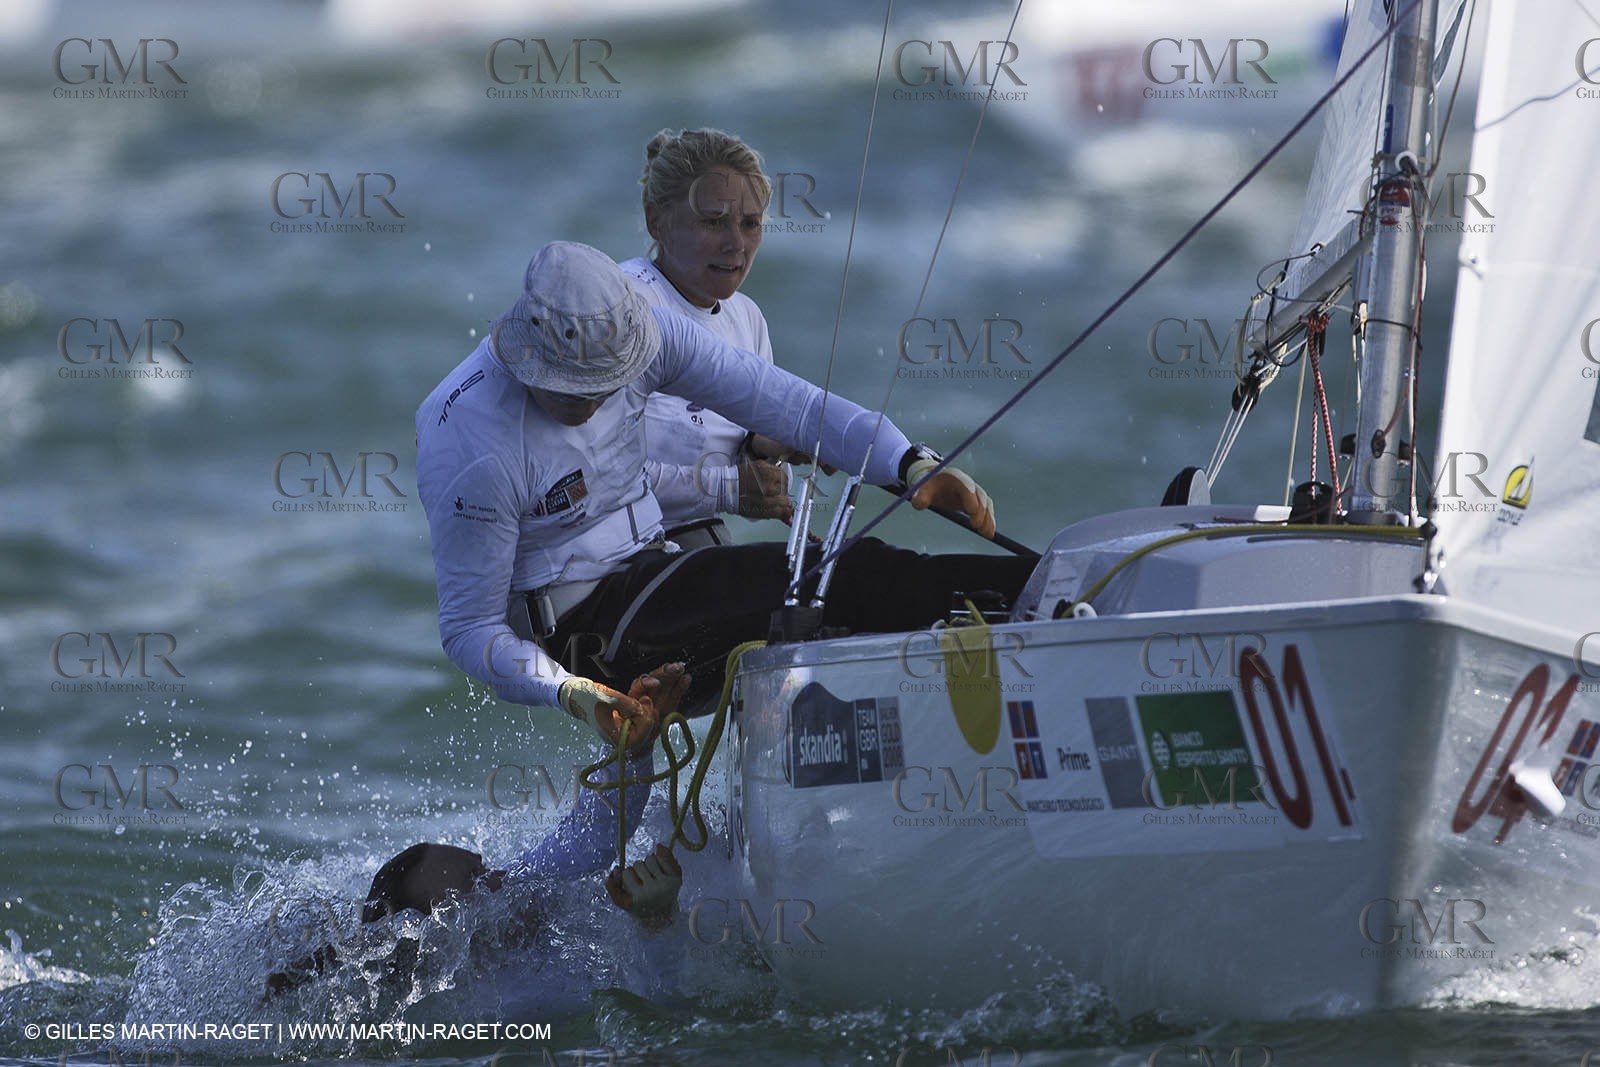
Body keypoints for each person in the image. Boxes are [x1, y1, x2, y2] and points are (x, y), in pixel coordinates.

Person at [415, 239, 1034, 743]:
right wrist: (571, 694)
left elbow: (780, 399)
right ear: (528, 353)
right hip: (584, 635)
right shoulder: (474, 444)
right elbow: (469, 629)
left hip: (658, 563)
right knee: (825, 580)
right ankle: (1026, 606)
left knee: (837, 600)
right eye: (573, 389)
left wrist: (906, 461)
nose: (594, 400)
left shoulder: (640, 334)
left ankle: (1035, 605)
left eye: (605, 384)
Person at [265, 664, 692, 998]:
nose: (500, 885)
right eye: (476, 884)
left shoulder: (519, 885)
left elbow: (591, 836)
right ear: (435, 943)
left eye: (485, 868)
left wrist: (633, 747)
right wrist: (656, 921)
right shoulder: (493, 1005)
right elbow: (659, 1001)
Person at [622, 127, 798, 545]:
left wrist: (761, 452)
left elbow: (753, 485)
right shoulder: (624, 306)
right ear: (655, 221)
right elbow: (590, 478)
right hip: (602, 559)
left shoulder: (748, 319)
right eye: (713, 222)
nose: (736, 245)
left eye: (750, 224)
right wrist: (731, 489)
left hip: (689, 543)